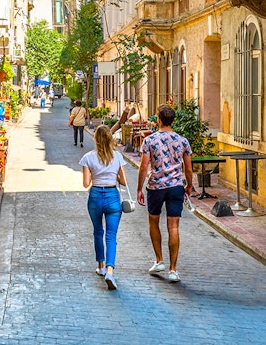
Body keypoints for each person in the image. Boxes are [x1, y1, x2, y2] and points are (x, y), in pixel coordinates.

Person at [137, 104, 193, 283]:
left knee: (154, 222)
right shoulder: (182, 140)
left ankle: (159, 260)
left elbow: (144, 166)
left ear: (159, 120)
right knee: (173, 226)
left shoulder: (150, 140)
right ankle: (173, 270)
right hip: (176, 186)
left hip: (156, 187)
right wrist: (189, 186)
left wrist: (139, 188)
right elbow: (189, 169)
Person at [80, 125, 127, 291]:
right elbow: (124, 182)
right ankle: (110, 270)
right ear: (110, 139)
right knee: (111, 236)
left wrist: (95, 174)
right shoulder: (118, 157)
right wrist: (112, 174)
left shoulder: (88, 158)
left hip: (95, 197)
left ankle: (100, 266)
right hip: (112, 197)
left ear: (96, 139)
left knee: (98, 232)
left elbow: (86, 183)